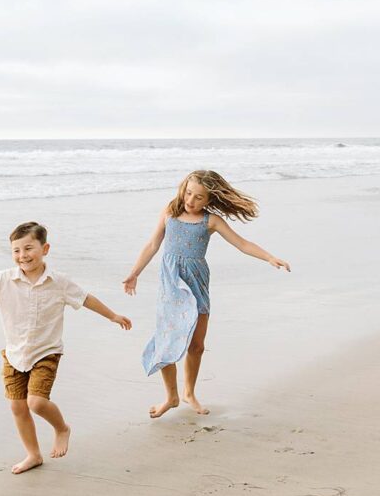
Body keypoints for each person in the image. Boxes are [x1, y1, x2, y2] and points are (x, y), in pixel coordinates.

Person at [0, 221, 132, 474]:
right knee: (17, 407)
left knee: (37, 403)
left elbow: (86, 299)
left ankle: (62, 428)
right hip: (14, 354)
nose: (23, 256)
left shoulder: (59, 282)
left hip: (46, 352)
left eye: (29, 248)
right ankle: (33, 454)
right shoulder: (3, 280)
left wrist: (112, 316)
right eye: (16, 251)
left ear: (45, 249)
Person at [123, 170, 290, 418]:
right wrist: (134, 273)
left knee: (197, 345)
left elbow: (242, 244)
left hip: (197, 283)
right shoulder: (170, 210)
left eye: (199, 197)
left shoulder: (210, 221)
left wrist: (269, 257)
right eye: (189, 193)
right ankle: (171, 396)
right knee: (166, 341)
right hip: (171, 285)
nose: (191, 200)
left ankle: (189, 392)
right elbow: (152, 245)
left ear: (209, 200)